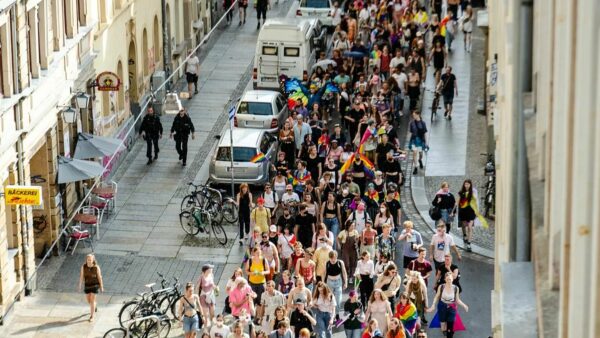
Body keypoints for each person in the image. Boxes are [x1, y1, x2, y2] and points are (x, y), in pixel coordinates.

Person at [427, 272, 469, 338]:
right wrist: (433, 305)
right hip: (442, 307)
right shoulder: (441, 287)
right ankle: (446, 332)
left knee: (450, 326)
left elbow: (457, 300)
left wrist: (464, 305)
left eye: (450, 279)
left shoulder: (456, 288)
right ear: (445, 279)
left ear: (452, 279)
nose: (449, 281)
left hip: (452, 308)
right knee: (443, 326)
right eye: (447, 279)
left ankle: (449, 333)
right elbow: (437, 296)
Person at [246, 247, 270, 318]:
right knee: (252, 300)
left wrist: (263, 272)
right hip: (252, 283)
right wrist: (251, 273)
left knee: (260, 301)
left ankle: (259, 317)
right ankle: (253, 316)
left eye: (259, 253)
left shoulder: (263, 260)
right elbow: (246, 271)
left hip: (261, 283)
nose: (258, 254)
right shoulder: (250, 260)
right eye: (257, 253)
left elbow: (268, 271)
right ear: (254, 253)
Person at [78, 253, 104, 322]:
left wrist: (101, 286)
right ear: (86, 260)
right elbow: (81, 277)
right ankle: (95, 306)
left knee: (92, 300)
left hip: (95, 285)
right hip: (87, 285)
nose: (89, 261)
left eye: (90, 260)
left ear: (93, 260)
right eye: (87, 260)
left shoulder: (96, 267)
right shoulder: (83, 267)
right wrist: (80, 285)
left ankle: (92, 316)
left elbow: (99, 277)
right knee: (89, 300)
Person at [324, 250, 347, 317]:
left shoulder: (340, 262)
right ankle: (331, 313)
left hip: (338, 282)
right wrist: (323, 283)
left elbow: (344, 272)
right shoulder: (327, 263)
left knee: (338, 299)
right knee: (330, 298)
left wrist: (345, 282)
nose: (333, 260)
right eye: (331, 258)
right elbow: (324, 273)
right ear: (329, 258)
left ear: (336, 257)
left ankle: (337, 313)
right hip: (329, 281)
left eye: (334, 258)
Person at [457, 179, 478, 252]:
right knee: (463, 225)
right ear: (464, 185)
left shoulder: (473, 191)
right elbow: (458, 201)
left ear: (470, 185)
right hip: (463, 211)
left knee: (469, 227)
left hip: (471, 211)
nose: (466, 186)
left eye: (468, 184)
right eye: (465, 184)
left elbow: (475, 200)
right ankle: (464, 235)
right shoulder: (461, 192)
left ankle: (469, 244)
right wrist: (453, 211)